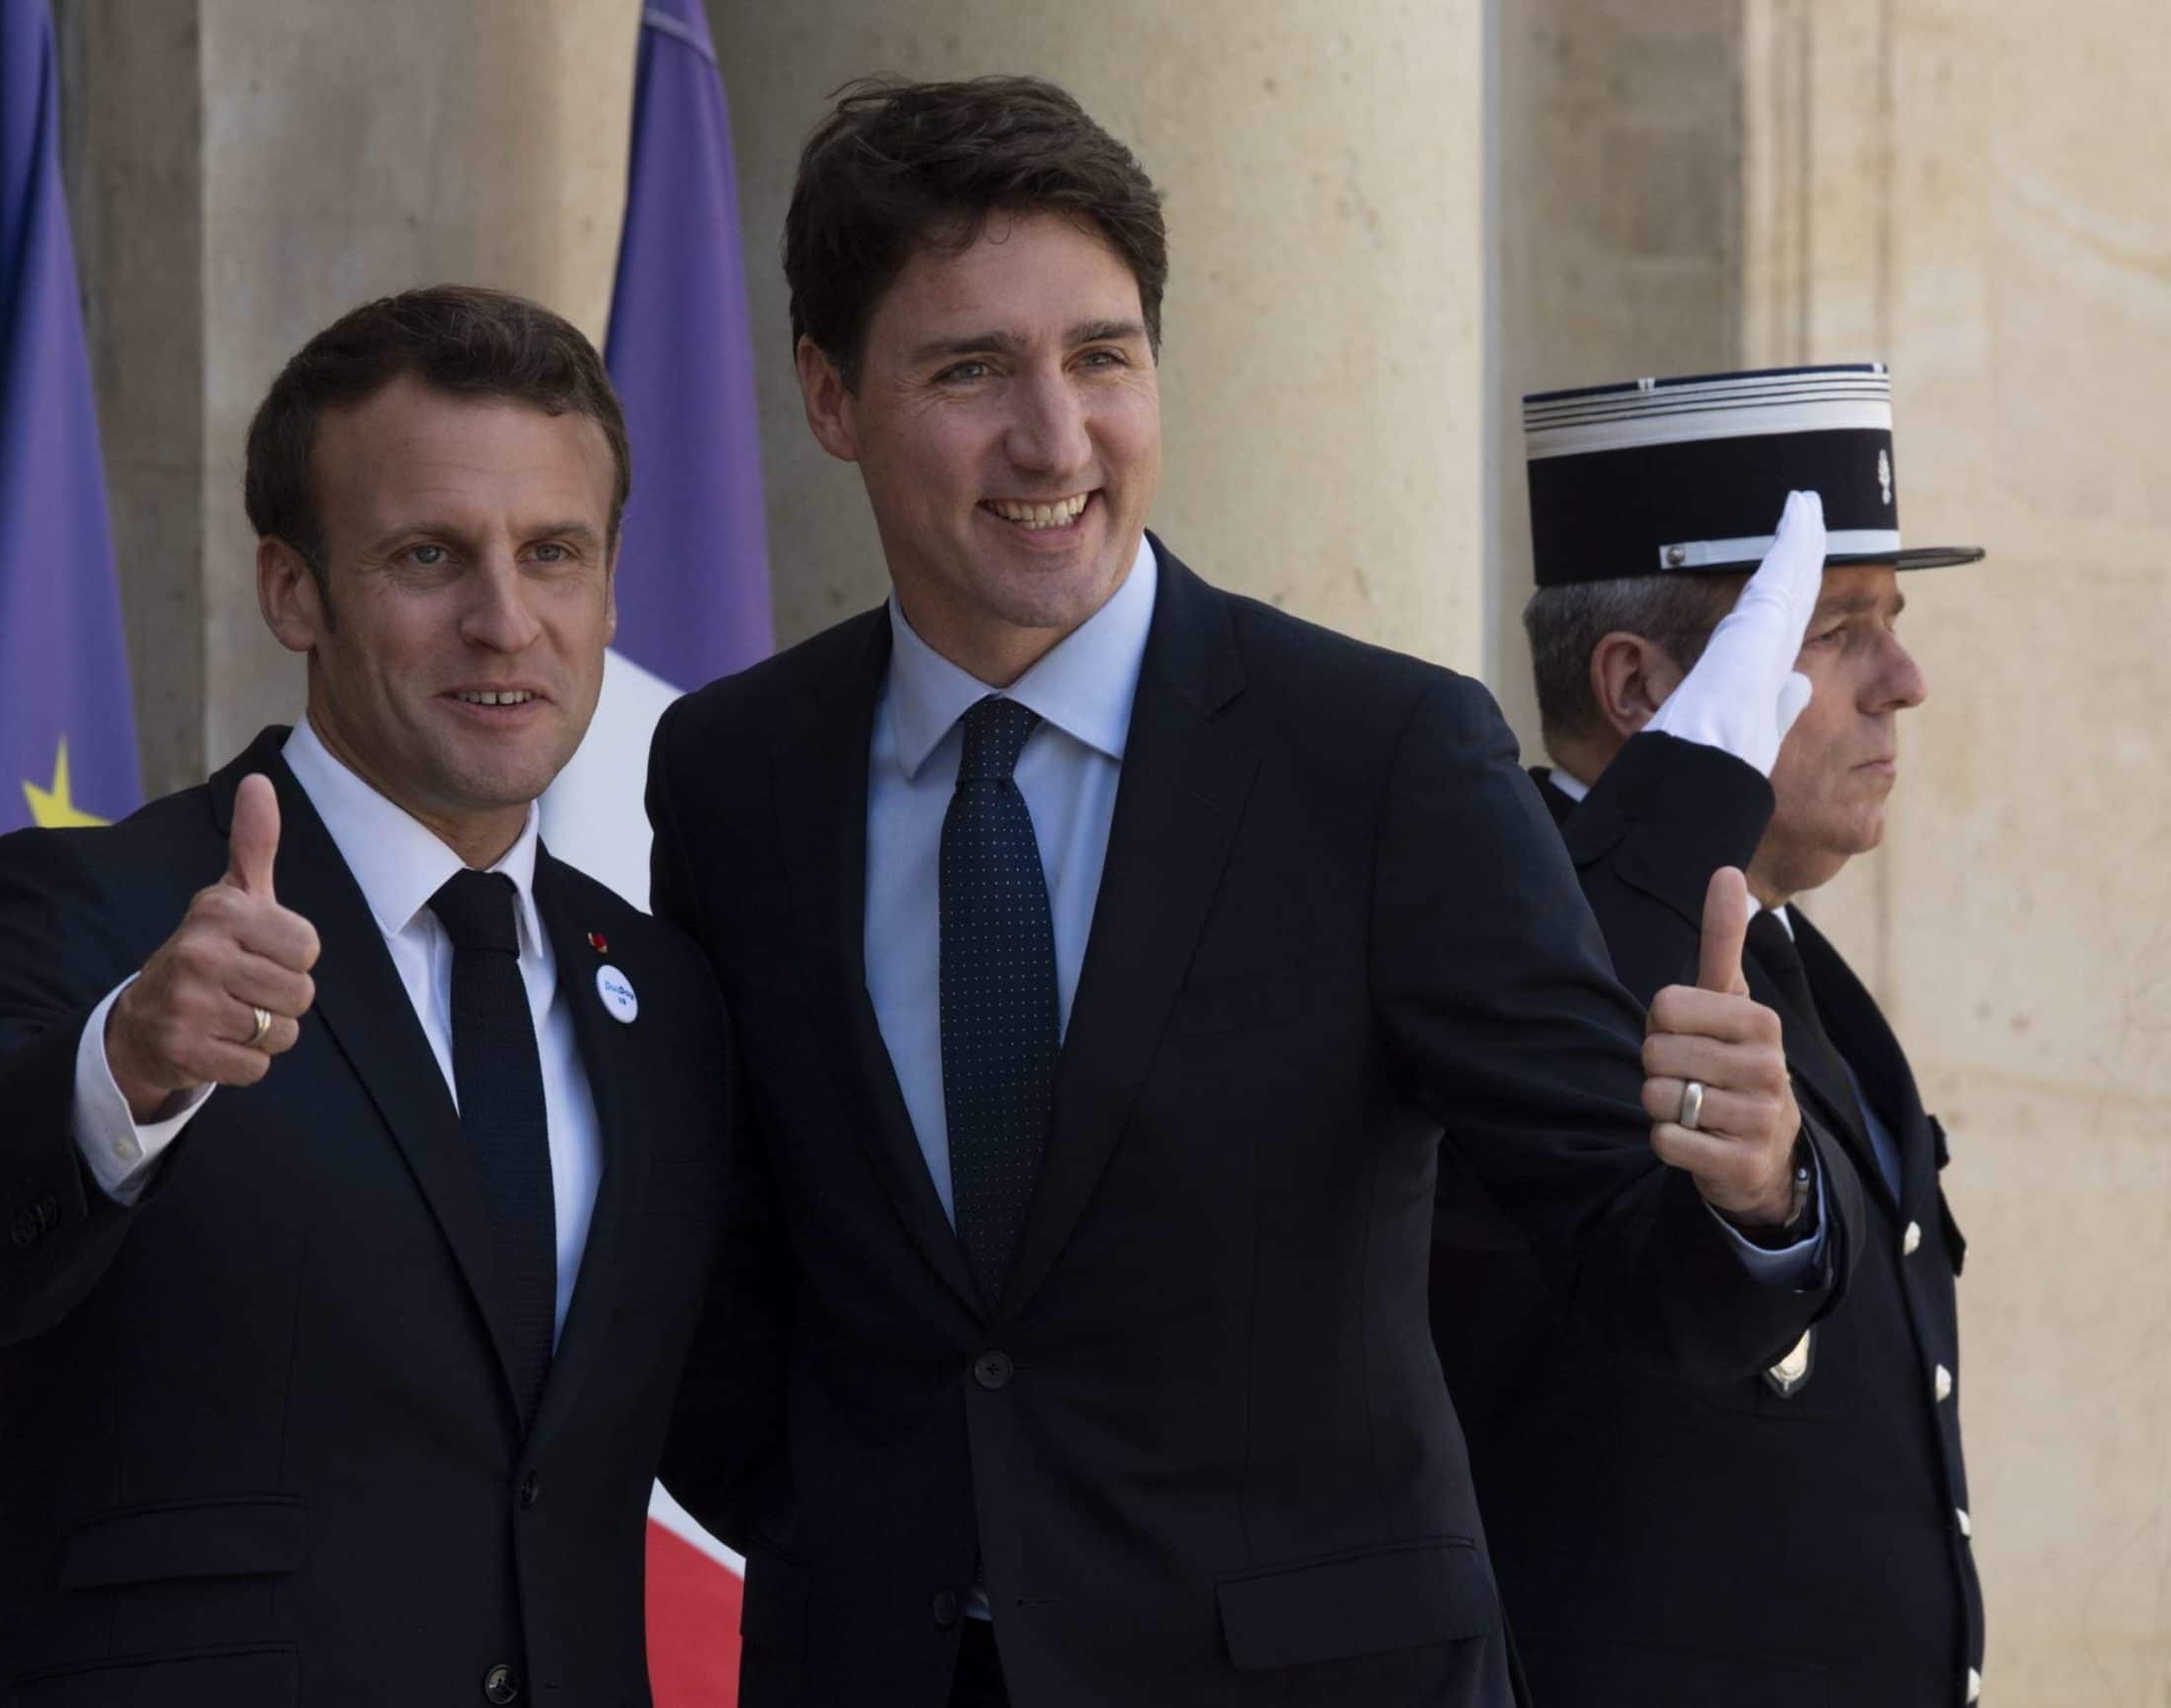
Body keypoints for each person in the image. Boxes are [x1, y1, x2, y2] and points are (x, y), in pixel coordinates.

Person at [646, 78, 1858, 1708]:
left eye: (1102, 357)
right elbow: (721, 1278)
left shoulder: (1380, 753)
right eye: (971, 369)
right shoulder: (732, 774)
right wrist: (866, 1536)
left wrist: (1755, 1195)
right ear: (829, 395)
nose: (1054, 440)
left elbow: (1633, 1259)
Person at [0, 285, 730, 1706]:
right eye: (429, 556)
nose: (504, 621)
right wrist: (127, 1070)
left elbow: (738, 1424)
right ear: (292, 590)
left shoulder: (668, 995)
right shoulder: (96, 913)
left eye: (555, 554)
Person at [1430, 363, 1985, 1706]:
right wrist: (1687, 804)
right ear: (1638, 686)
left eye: (1891, 622)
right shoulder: (1496, 939)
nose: (1901, 680)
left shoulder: (1796, 965)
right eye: (1833, 628)